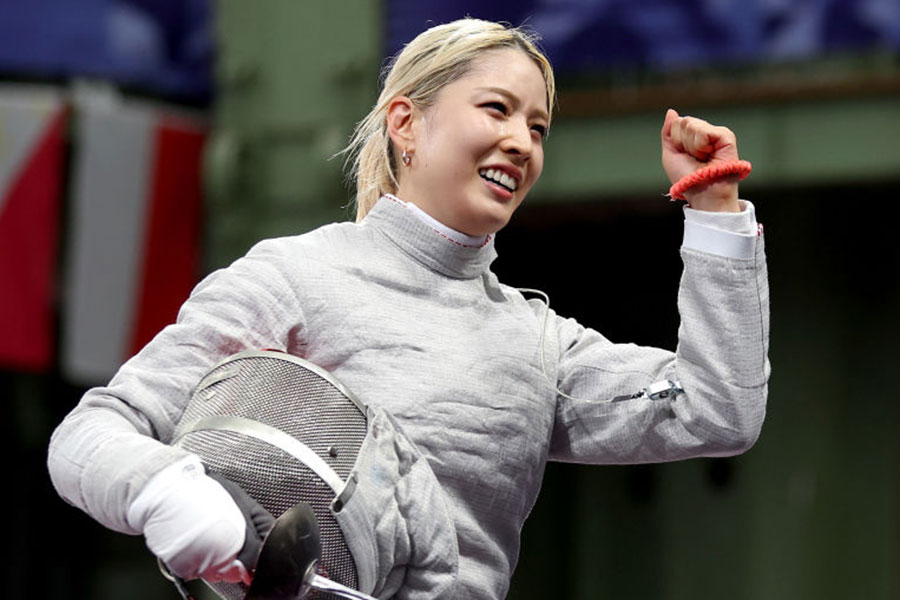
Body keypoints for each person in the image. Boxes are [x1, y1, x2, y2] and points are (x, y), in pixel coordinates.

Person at [48, 17, 769, 600]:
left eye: (539, 127)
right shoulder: (294, 277)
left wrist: (715, 214)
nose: (520, 141)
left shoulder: (538, 343)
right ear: (406, 124)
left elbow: (715, 408)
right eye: (497, 109)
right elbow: (90, 435)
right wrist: (169, 493)